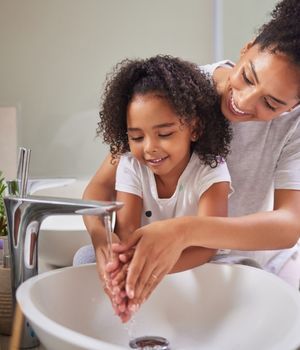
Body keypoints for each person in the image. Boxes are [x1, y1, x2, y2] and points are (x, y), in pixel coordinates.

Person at [81, 0, 300, 320]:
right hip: (159, 256)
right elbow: (99, 188)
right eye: (248, 77)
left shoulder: (293, 127)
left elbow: (289, 225)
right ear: (247, 48)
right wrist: (103, 242)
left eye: (271, 103)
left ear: (293, 106)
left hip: (239, 267)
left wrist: (185, 231)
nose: (243, 101)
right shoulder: (176, 91)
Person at [89, 55, 232, 321]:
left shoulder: (210, 170)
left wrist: (152, 270)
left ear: (195, 128)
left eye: (164, 134)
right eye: (137, 137)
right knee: (84, 257)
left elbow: (208, 245)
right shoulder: (132, 165)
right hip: (142, 259)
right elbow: (127, 230)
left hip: (195, 262)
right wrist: (123, 273)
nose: (150, 147)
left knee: (243, 268)